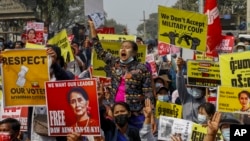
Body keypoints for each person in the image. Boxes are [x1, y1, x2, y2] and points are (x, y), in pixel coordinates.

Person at [89, 20, 154, 129]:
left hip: (135, 113)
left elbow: (148, 94)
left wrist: (151, 116)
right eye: (122, 47)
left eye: (127, 47)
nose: (123, 49)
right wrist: (92, 27)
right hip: (116, 112)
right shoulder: (114, 62)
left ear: (134, 52)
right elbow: (98, 48)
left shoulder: (142, 68)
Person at [176, 57, 206, 123]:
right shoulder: (186, 98)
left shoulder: (206, 103)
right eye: (195, 87)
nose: (197, 89)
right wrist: (179, 69)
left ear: (204, 91)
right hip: (186, 130)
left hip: (199, 130)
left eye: (200, 88)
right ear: (192, 88)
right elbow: (180, 84)